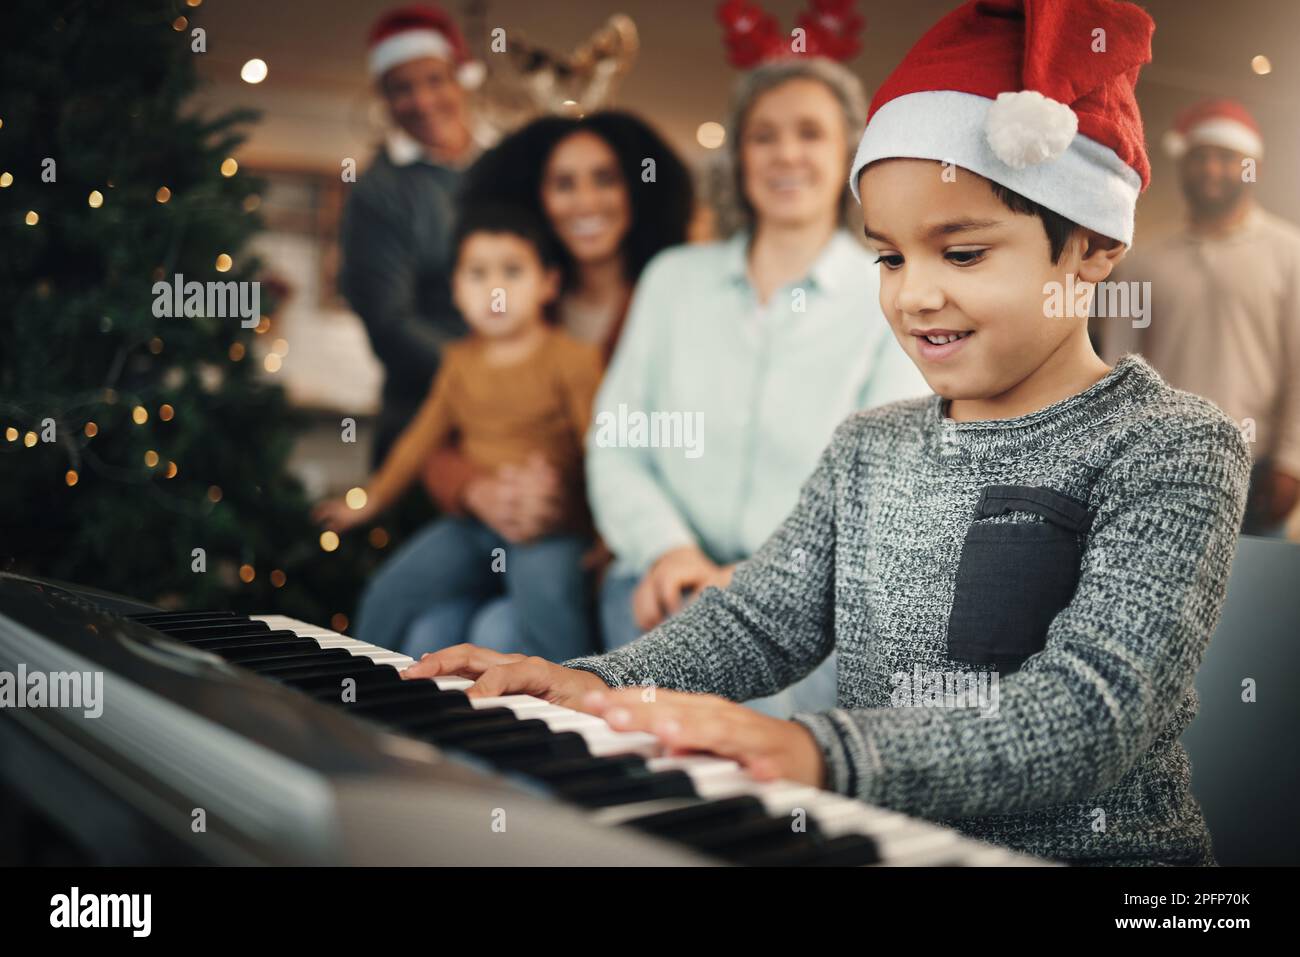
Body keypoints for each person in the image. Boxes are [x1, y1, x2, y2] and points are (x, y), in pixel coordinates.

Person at [402, 0, 1252, 867]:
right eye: (888, 256)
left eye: (961, 254)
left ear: (1093, 245)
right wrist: (601, 678)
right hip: (888, 844)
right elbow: (759, 622)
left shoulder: (1173, 446)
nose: (913, 294)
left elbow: (1091, 713)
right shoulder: (869, 446)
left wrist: (822, 752)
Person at [584, 56, 928, 717]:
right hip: (659, 580)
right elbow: (617, 442)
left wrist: (751, 582)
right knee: (647, 738)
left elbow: (881, 482)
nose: (785, 153)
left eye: (810, 133)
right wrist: (671, 550)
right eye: (764, 135)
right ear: (739, 156)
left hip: (808, 600)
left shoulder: (889, 291)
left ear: (849, 155)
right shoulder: (672, 280)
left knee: (748, 760)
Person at [409, 113, 695, 652]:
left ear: (637, 188)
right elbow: (439, 439)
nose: (585, 201)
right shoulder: (509, 294)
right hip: (501, 544)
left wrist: (580, 513)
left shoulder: (673, 300)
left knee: (496, 633)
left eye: (605, 178)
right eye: (564, 183)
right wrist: (478, 490)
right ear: (537, 196)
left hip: (623, 555)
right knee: (432, 631)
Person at [317, 204, 602, 660]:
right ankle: (356, 694)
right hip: (473, 525)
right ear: (455, 289)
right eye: (476, 274)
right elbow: (419, 442)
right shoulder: (458, 363)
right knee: (389, 592)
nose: (494, 290)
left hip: (543, 528)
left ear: (548, 284)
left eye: (511, 272)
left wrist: (605, 537)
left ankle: (575, 707)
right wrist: (368, 501)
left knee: (551, 615)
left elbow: (602, 450)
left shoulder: (573, 360)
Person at [1101, 99, 1300, 537]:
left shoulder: (1291, 254)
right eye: (1200, 157)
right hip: (1159, 466)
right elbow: (1118, 366)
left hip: (1258, 471)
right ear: (1183, 165)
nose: (1212, 169)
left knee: (1249, 602)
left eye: (1227, 158)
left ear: (1253, 167)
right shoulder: (1142, 260)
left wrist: (1292, 461)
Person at [339, 4, 483, 466]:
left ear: (461, 79)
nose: (421, 102)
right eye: (401, 88)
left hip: (522, 424)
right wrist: (494, 378)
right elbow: (389, 323)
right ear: (383, 99)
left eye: (434, 80)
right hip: (425, 428)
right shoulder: (379, 194)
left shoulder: (505, 167)